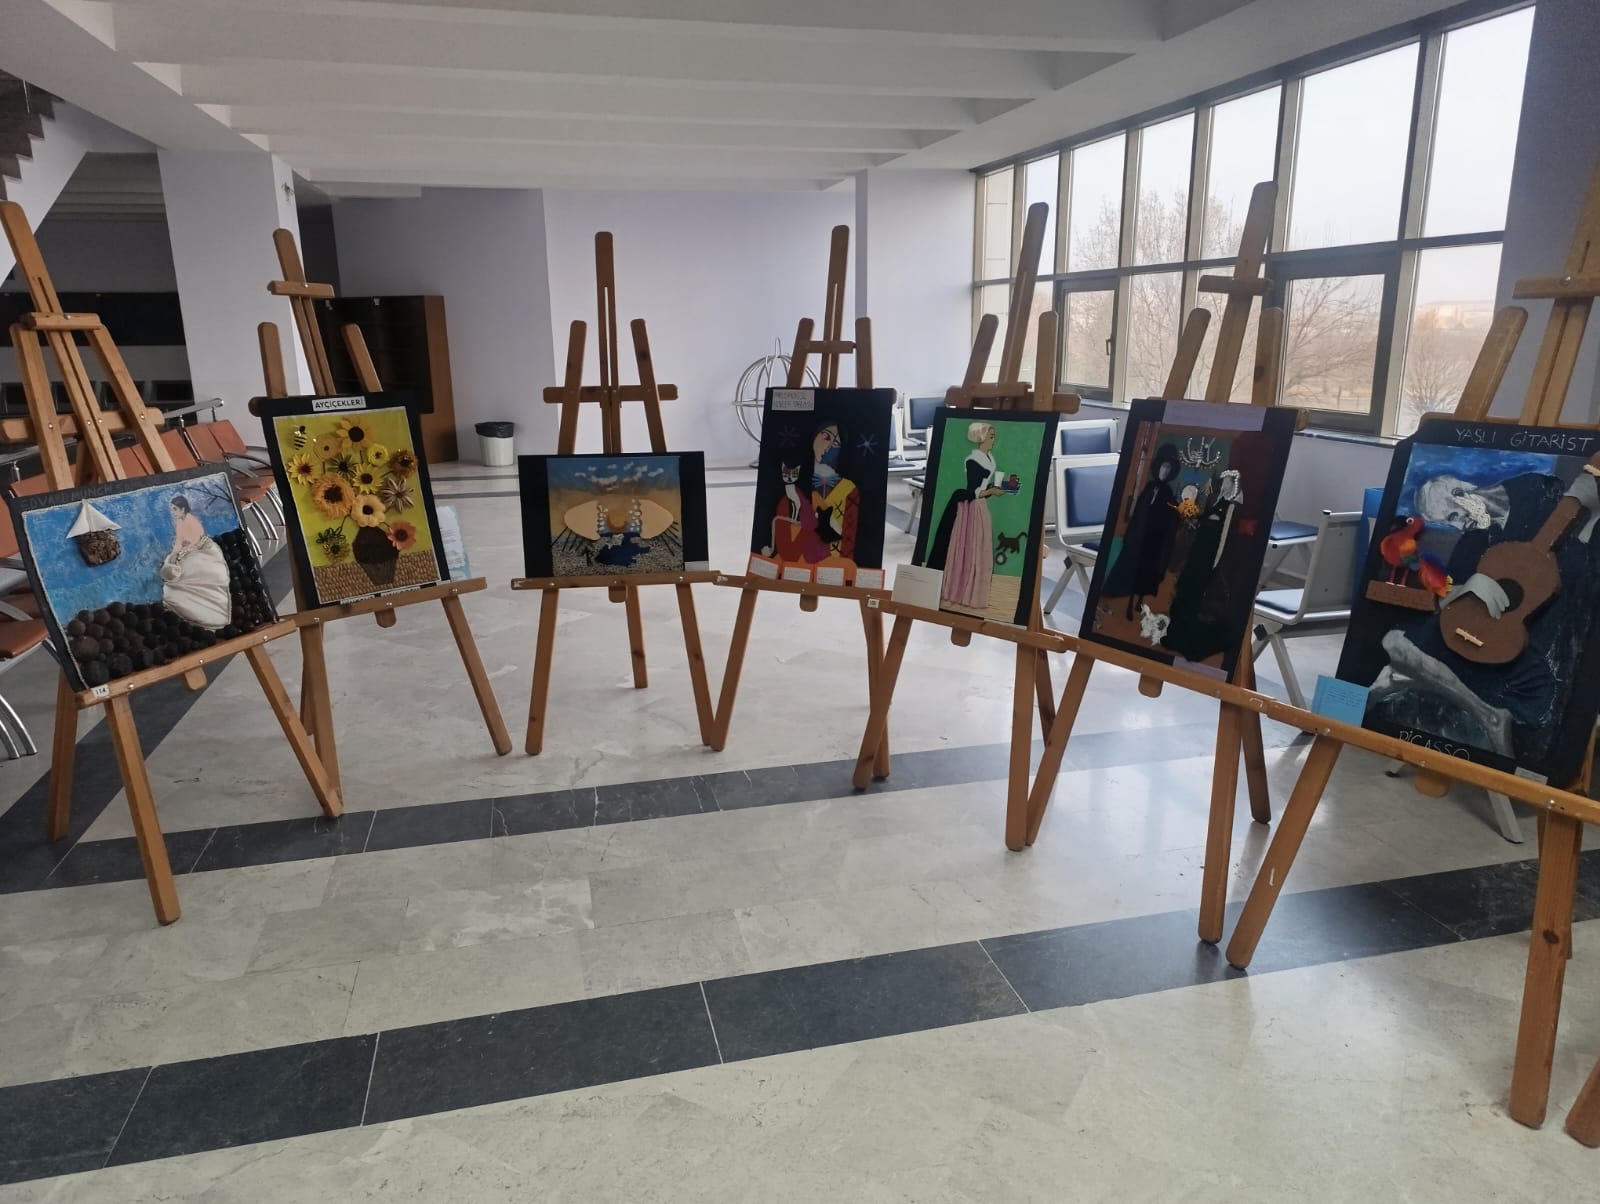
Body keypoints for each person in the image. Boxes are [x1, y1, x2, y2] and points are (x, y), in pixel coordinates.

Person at [1365, 463, 1600, 761]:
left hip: (1526, 653)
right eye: (1448, 523)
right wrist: (1465, 588)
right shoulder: (1474, 538)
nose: (1458, 524)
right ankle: (1486, 712)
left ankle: (1412, 679)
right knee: (1394, 640)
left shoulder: (1534, 491)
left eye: (1452, 515)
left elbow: (1579, 569)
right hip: (1476, 645)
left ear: (1460, 492)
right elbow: (1447, 603)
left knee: (1401, 648)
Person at [1161, 469, 1247, 662]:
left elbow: (1226, 535)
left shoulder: (1232, 507)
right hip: (1199, 549)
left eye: (1228, 482)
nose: (1225, 486)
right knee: (1185, 588)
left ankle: (1190, 638)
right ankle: (1176, 632)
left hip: (1211, 552)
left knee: (1197, 592)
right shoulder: (1214, 500)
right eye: (1224, 482)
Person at [927, 421, 1006, 609]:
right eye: (991, 436)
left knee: (979, 548)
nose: (993, 439)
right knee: (968, 547)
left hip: (980, 505)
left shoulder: (988, 457)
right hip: (970, 508)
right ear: (981, 437)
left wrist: (994, 488)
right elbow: (973, 490)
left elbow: (982, 487)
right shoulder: (973, 460)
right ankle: (960, 591)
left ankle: (974, 592)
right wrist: (991, 491)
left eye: (993, 436)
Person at [1101, 443, 1181, 621]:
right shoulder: (1149, 487)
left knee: (1145, 571)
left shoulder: (1168, 493)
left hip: (1153, 539)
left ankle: (1139, 600)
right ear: (1158, 466)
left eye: (1168, 468)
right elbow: (1139, 511)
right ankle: (1124, 596)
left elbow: (1169, 518)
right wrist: (1131, 532)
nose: (1165, 471)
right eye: (1163, 466)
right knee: (1131, 566)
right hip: (1138, 535)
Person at [160, 495, 232, 630]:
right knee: (175, 579)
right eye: (172, 509)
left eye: (175, 509)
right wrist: (175, 555)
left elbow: (196, 541)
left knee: (187, 579)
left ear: (182, 509)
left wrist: (180, 553)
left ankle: (212, 617)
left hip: (202, 553)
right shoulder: (180, 521)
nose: (173, 512)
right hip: (190, 551)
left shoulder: (190, 521)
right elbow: (180, 542)